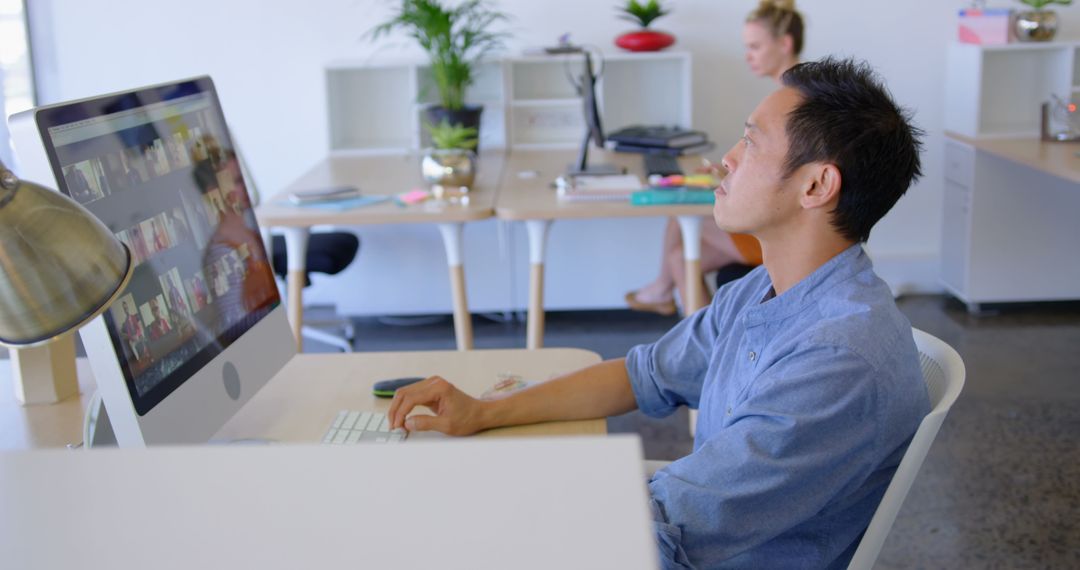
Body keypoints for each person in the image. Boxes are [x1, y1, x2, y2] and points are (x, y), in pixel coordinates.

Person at [388, 57, 930, 568]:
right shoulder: (764, 288)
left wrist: (492, 514)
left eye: (750, 141)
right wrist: (484, 413)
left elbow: (663, 529)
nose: (728, 158)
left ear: (815, 185)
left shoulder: (837, 360)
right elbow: (642, 373)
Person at [626, 0, 805, 316]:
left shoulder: (790, 101)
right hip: (776, 214)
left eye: (755, 46)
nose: (748, 55)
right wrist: (727, 175)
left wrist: (730, 178)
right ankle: (709, 346)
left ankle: (661, 293)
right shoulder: (789, 93)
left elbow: (783, 174)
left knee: (680, 215)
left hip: (782, 226)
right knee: (680, 255)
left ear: (785, 43)